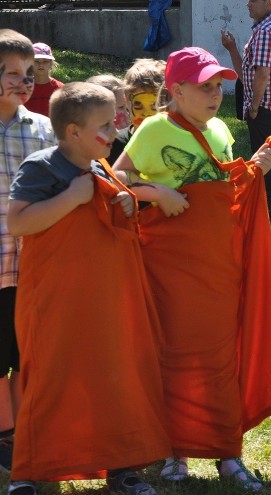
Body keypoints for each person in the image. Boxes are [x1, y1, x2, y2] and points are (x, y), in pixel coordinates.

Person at [113, 46, 271, 491]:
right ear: (176, 90)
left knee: (222, 355)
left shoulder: (221, 128)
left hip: (219, 261)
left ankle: (228, 452)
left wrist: (255, 169)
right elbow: (116, 177)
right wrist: (156, 193)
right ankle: (173, 453)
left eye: (218, 85)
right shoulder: (152, 129)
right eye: (204, 86)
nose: (215, 94)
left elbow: (226, 187)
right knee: (175, 353)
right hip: (169, 263)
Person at [7, 82, 171, 495]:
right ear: (73, 132)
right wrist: (73, 197)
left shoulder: (102, 167)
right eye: (105, 124)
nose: (115, 130)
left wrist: (127, 205)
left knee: (112, 378)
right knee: (50, 380)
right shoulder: (42, 167)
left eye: (114, 120)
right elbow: (20, 223)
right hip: (54, 301)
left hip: (102, 300)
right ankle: (29, 472)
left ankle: (121, 467)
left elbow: (112, 224)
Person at [0, 28, 55, 479]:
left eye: (30, 74)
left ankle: (23, 431)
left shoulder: (43, 130)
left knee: (26, 354)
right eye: (12, 73)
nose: (23, 82)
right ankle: (4, 432)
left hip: (32, 268)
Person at [222, 0, 271, 237]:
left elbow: (262, 74)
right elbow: (246, 75)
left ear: (269, 2)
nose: (248, 4)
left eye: (254, 0)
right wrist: (232, 48)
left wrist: (254, 106)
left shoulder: (266, 31)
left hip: (266, 107)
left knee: (269, 165)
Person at [106, 58, 166, 165]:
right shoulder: (116, 144)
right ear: (127, 102)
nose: (146, 114)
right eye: (138, 105)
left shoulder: (174, 141)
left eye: (154, 105)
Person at [22, 42, 63, 117]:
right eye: (36, 61)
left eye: (45, 61)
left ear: (50, 63)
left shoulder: (60, 89)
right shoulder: (23, 88)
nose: (41, 64)